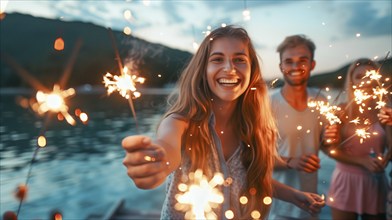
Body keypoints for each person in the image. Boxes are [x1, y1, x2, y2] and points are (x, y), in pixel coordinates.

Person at [121, 26, 324, 220]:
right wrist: (154, 165)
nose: (229, 68)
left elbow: (253, 180)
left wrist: (294, 195)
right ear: (203, 69)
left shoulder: (257, 127)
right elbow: (167, 150)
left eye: (239, 60)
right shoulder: (178, 123)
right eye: (217, 59)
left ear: (251, 70)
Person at [269, 34, 339, 220]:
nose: (295, 67)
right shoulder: (268, 104)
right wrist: (291, 161)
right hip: (278, 207)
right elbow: (254, 157)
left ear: (312, 65)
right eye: (289, 61)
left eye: (302, 61)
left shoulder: (320, 99)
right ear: (281, 67)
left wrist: (334, 137)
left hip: (312, 204)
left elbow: (327, 145)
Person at [326, 58, 389, 220]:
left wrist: (385, 160)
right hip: (345, 182)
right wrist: (362, 161)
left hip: (375, 182)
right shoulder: (341, 111)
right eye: (359, 76)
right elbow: (331, 150)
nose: (365, 81)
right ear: (351, 82)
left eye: (369, 75)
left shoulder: (385, 111)